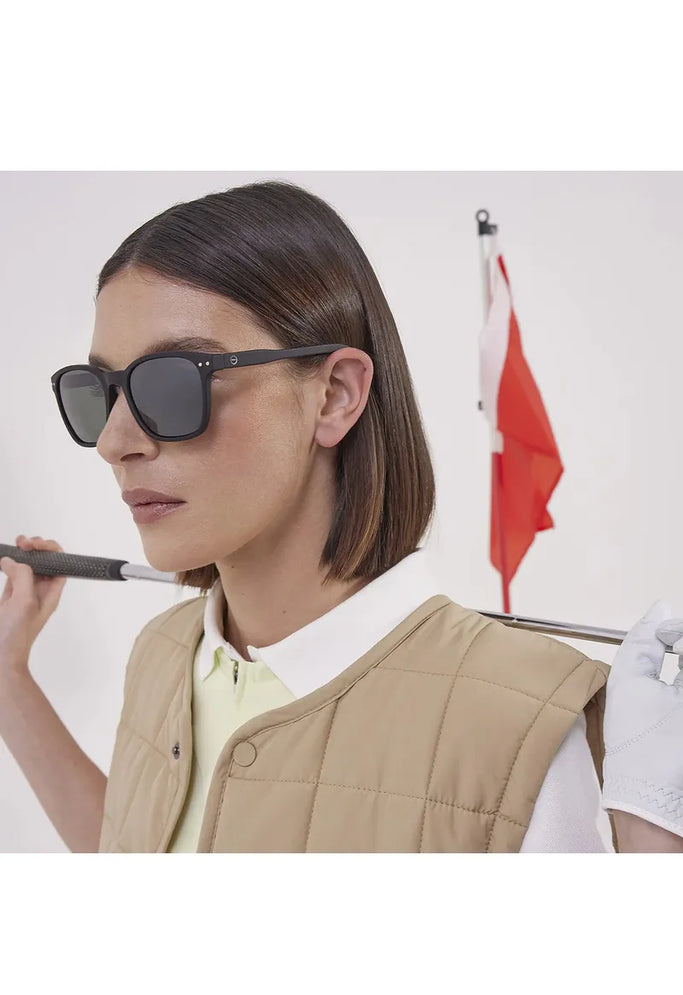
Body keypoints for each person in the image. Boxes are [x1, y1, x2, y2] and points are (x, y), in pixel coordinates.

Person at [1, 179, 682, 853]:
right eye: (103, 391)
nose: (116, 442)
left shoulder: (524, 725)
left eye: (174, 382)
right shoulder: (164, 652)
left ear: (333, 396)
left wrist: (651, 847)